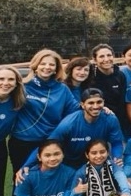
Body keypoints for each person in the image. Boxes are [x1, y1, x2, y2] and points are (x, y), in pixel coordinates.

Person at [9, 49, 80, 178]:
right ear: (36, 65)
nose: (47, 67)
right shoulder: (23, 86)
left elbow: (75, 110)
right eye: (43, 63)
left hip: (49, 142)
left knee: (48, 179)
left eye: (51, 65)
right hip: (22, 142)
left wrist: (101, 108)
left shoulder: (62, 89)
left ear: (56, 69)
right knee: (22, 178)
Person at [0, 66, 27, 196]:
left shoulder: (17, 102)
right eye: (1, 79)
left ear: (17, 83)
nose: (5, 83)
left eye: (10, 79)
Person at [89, 44, 130, 131]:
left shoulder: (120, 75)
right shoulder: (90, 78)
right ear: (95, 60)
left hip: (121, 121)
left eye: (109, 55)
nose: (106, 59)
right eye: (101, 56)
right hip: (100, 122)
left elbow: (123, 101)